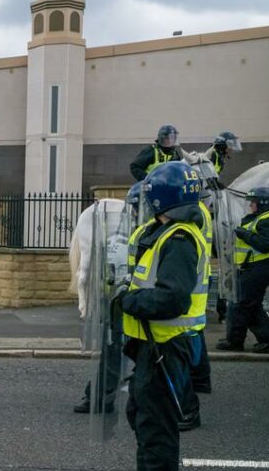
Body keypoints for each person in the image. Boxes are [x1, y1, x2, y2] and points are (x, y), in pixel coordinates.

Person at [117, 161, 208, 470]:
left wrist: (129, 300)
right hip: (152, 346)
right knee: (142, 418)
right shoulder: (165, 232)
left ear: (160, 199)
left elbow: (172, 299)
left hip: (166, 349)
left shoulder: (179, 240)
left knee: (157, 432)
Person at [73, 182, 144, 415]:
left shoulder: (142, 234)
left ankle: (103, 397)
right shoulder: (136, 232)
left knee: (115, 350)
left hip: (130, 302)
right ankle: (101, 394)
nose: (131, 213)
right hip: (122, 301)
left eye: (135, 207)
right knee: (116, 350)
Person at [217, 187, 269, 353]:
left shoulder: (266, 219)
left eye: (253, 203)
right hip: (249, 267)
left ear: (262, 204)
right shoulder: (256, 218)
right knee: (250, 305)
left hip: (258, 268)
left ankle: (235, 341)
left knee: (240, 304)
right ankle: (264, 340)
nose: (250, 206)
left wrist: (243, 233)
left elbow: (264, 244)